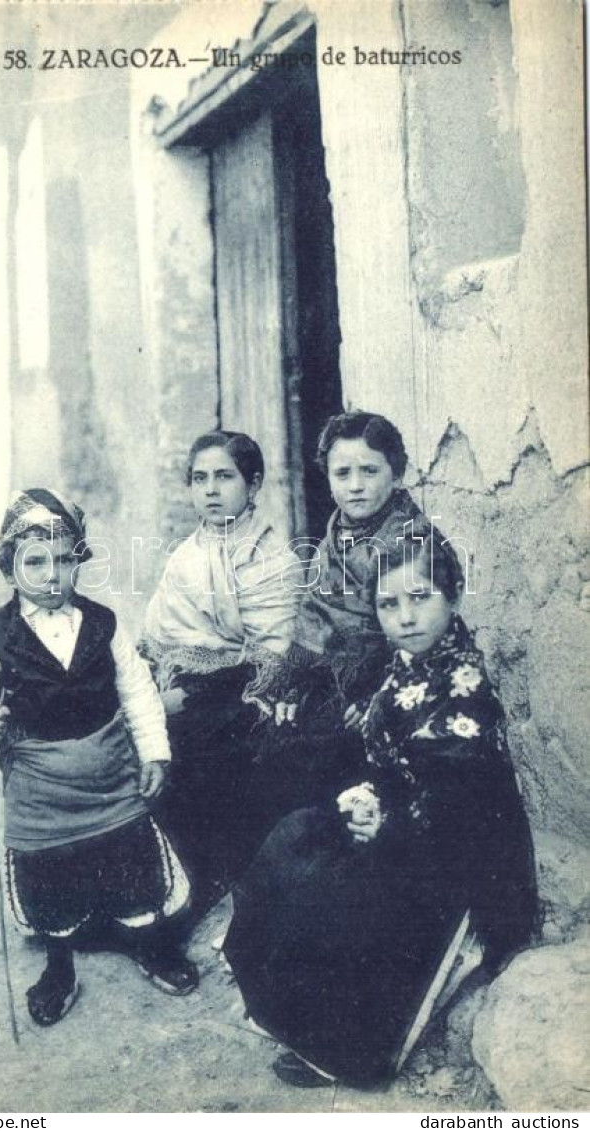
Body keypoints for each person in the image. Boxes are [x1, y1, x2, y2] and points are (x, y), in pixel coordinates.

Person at [224, 526, 538, 1088]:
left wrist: (383, 823)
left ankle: (347, 1048)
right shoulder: (403, 670)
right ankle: (287, 1005)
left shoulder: (465, 684)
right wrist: (365, 796)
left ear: (454, 596)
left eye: (420, 598)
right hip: (409, 824)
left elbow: (457, 804)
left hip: (464, 862)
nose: (405, 617)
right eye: (388, 604)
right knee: (295, 839)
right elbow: (386, 762)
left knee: (353, 903)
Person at [0, 488, 197, 1027]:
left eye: (64, 559)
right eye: (35, 561)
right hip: (40, 792)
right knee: (51, 882)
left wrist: (155, 752)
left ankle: (149, 943)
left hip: (112, 782)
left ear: (79, 561)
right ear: (10, 570)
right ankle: (58, 966)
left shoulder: (104, 624)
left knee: (132, 868)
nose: (51, 574)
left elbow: (137, 692)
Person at [139, 430, 301, 910]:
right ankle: (154, 878)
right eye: (199, 478)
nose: (210, 490)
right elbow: (158, 638)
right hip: (182, 682)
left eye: (224, 477)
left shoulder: (274, 559)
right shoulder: (185, 558)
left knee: (190, 734)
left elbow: (272, 652)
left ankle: (206, 880)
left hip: (251, 689)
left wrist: (189, 696)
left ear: (253, 485)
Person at [248, 410, 425, 833]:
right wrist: (291, 684)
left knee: (306, 759)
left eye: (369, 471)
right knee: (262, 731)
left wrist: (371, 701)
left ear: (397, 475)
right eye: (342, 472)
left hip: (385, 685)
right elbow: (313, 616)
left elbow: (412, 640)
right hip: (330, 679)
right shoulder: (335, 537)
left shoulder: (409, 542)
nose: (355, 485)